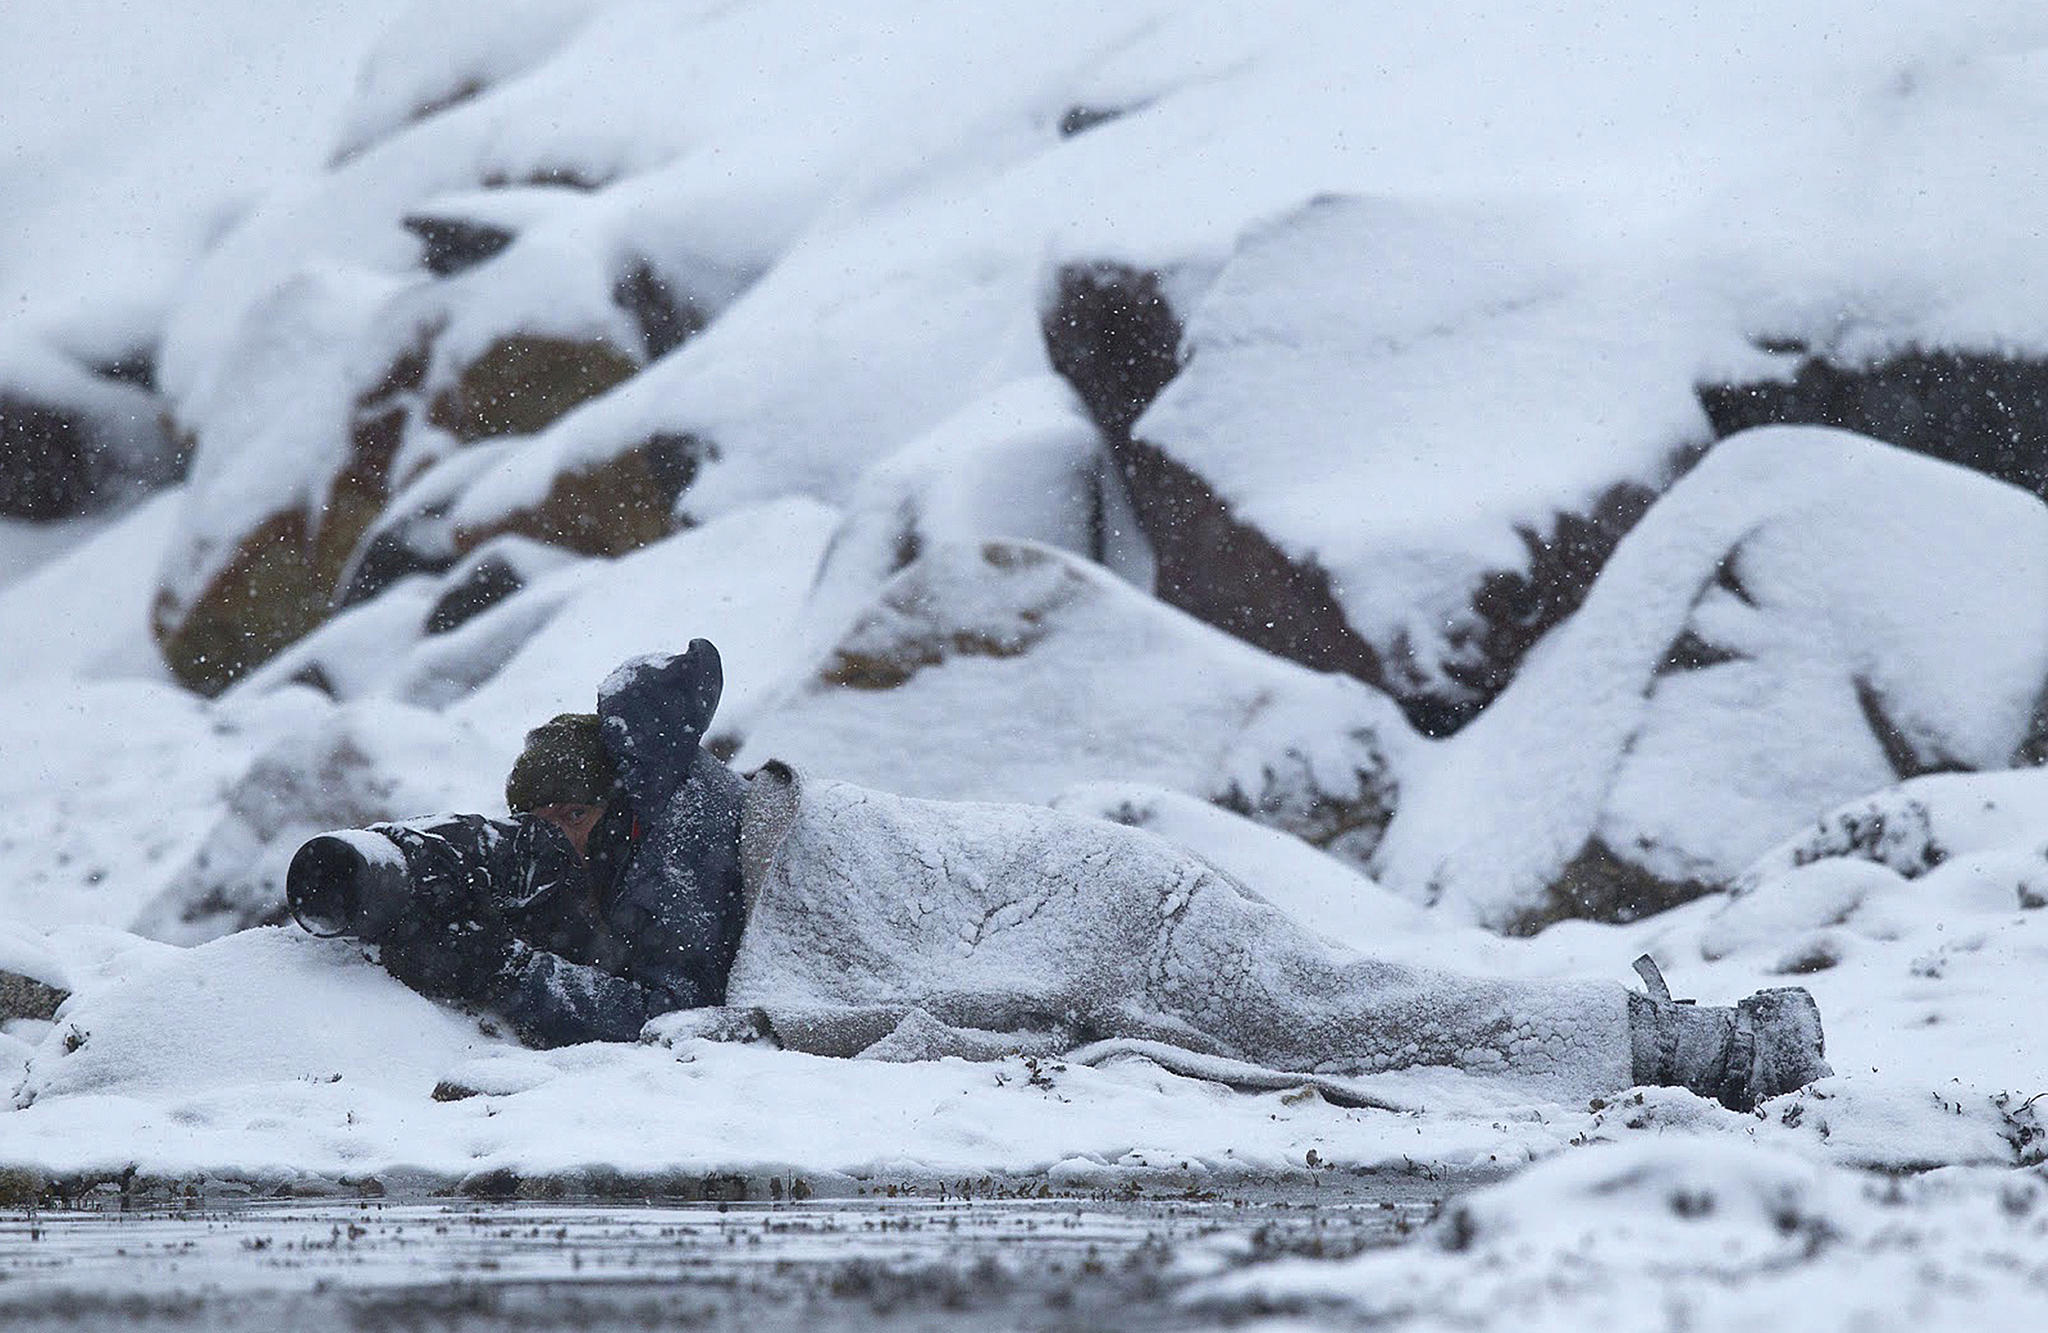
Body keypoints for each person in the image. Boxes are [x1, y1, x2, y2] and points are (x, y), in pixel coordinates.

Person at [289, 640, 1831, 1112]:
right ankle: (1655, 1034)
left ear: (604, 799)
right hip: (1041, 909)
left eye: (563, 827)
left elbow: (666, 995)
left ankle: (1690, 1048)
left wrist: (504, 955)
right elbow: (660, 988)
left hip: (1072, 897)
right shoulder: (625, 853)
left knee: (1328, 1012)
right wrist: (478, 925)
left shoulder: (677, 816)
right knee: (1331, 1012)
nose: (553, 859)